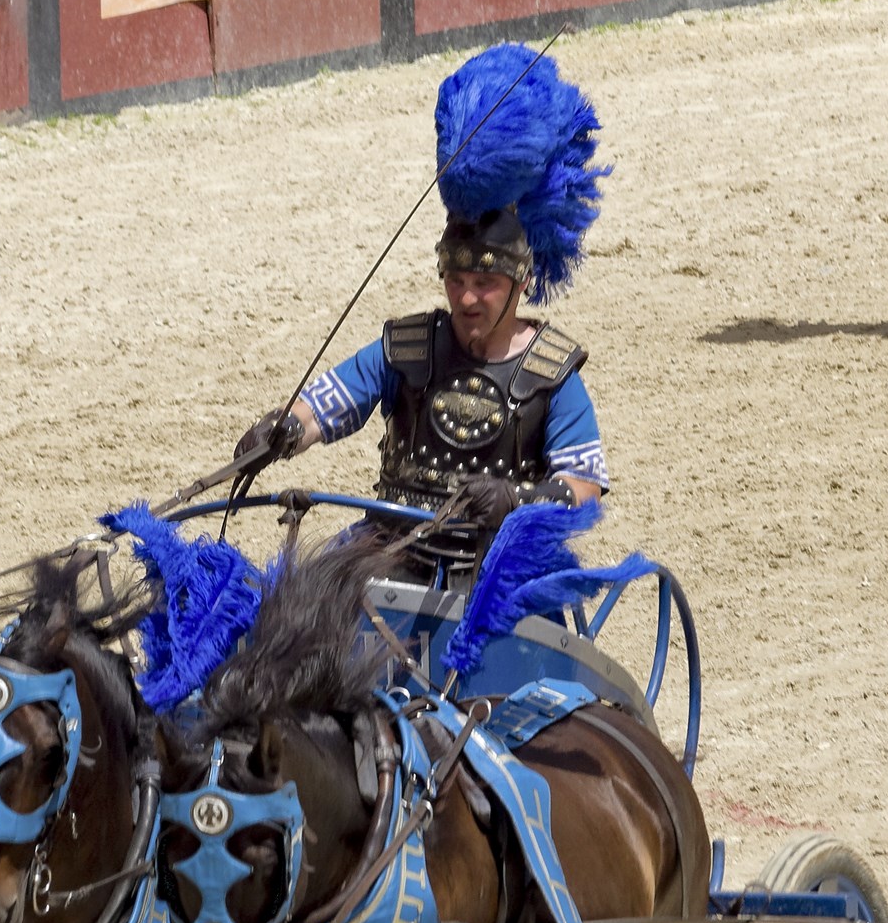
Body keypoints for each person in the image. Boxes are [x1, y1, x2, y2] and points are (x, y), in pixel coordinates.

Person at [237, 42, 611, 561]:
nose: (466, 296)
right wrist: (284, 430)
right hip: (392, 542)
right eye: (455, 279)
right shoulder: (409, 348)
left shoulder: (553, 373)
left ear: (522, 282)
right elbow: (333, 400)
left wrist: (517, 498)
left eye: (485, 283)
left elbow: (584, 489)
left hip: (500, 564)